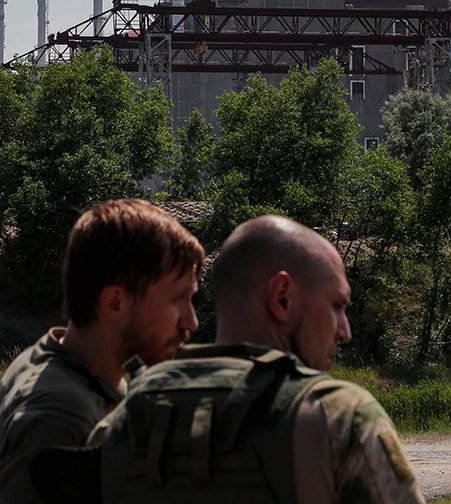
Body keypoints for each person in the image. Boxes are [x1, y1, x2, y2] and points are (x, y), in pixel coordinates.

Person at [90, 214, 424, 504]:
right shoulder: (337, 416)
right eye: (337, 306)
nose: (344, 331)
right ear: (281, 298)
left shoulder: (118, 422)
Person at [0, 199, 204, 504]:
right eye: (179, 298)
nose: (191, 321)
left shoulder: (52, 360)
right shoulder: (61, 417)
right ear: (115, 303)